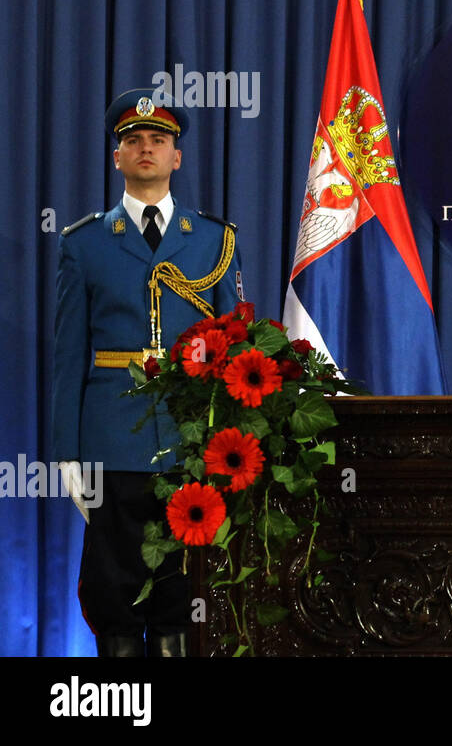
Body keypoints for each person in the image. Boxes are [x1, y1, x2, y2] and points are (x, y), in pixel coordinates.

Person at [51, 88, 243, 656]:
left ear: (176, 156)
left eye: (158, 140)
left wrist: (229, 438)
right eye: (133, 140)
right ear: (117, 157)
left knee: (182, 592)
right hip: (112, 439)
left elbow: (234, 348)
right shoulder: (83, 243)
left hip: (191, 439)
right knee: (114, 593)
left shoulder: (212, 239)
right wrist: (67, 453)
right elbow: (68, 355)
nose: (146, 149)